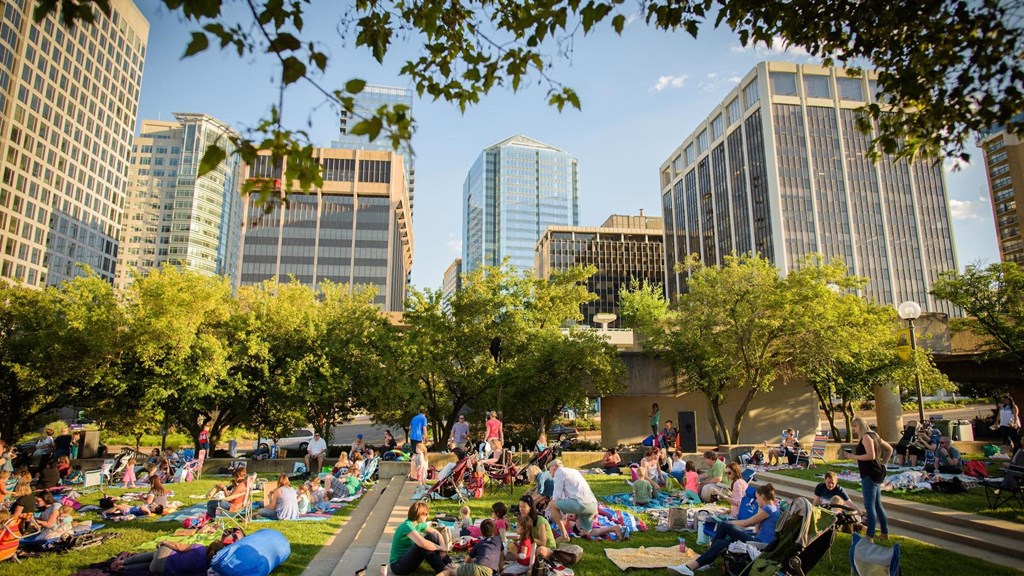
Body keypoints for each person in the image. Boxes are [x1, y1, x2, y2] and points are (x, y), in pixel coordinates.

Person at [669, 483, 780, 575]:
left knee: (723, 525)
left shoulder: (768, 509)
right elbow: (757, 528)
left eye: (757, 498)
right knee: (720, 543)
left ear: (763, 497)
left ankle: (695, 566)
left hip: (760, 545)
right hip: (758, 541)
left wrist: (729, 523)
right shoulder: (773, 508)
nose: (756, 500)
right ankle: (692, 567)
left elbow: (746, 523)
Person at [847, 416, 890, 541]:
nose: (854, 430)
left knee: (869, 506)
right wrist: (884, 463)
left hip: (870, 474)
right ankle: (884, 533)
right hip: (876, 472)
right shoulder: (874, 435)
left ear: (859, 425)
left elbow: (871, 456)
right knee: (877, 505)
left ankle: (869, 535)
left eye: (855, 427)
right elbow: (889, 449)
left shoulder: (866, 437)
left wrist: (854, 456)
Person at [390, 501, 451, 576]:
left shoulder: (418, 524)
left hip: (408, 560)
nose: (428, 516)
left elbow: (437, 533)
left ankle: (448, 564)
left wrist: (443, 547)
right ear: (419, 514)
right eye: (426, 514)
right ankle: (444, 569)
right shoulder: (407, 526)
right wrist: (440, 548)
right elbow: (423, 544)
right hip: (398, 566)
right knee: (422, 545)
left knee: (431, 535)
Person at [546, 459, 598, 542]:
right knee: (585, 533)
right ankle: (615, 529)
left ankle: (564, 535)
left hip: (581, 505)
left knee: (552, 505)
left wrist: (552, 513)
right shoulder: (573, 471)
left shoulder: (559, 473)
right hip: (593, 505)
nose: (549, 472)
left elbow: (556, 497)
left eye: (549, 469)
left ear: (553, 467)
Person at [111, 539, 231, 574]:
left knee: (157, 554)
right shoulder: (209, 568)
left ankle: (124, 562)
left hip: (163, 558)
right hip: (160, 570)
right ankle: (126, 568)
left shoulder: (199, 548)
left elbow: (178, 546)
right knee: (155, 564)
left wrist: (165, 542)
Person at [518, 495, 555, 560]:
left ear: (530, 508)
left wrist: (527, 538)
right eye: (520, 506)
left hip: (546, 548)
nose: (521, 509)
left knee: (540, 550)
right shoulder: (524, 519)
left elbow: (543, 543)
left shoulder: (540, 520)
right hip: (532, 546)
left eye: (524, 507)